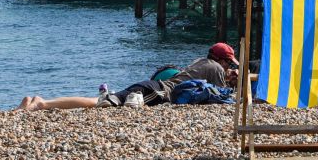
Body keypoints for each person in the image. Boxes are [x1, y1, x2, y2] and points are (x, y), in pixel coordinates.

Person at [17, 43, 240, 111]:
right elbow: (222, 98)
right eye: (230, 63)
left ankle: (41, 102)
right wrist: (233, 82)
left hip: (152, 85)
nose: (229, 66)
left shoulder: (200, 62)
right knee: (100, 105)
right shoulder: (216, 69)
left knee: (101, 102)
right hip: (158, 92)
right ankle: (40, 104)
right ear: (223, 61)